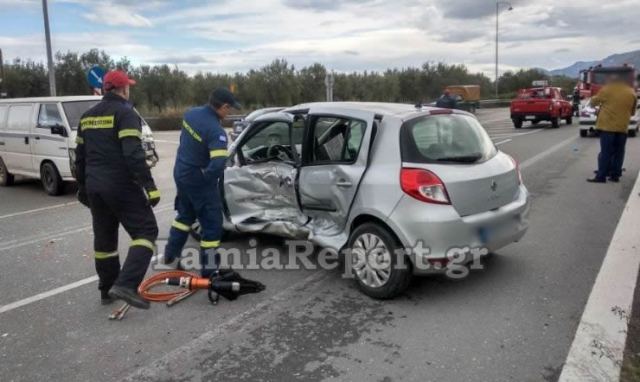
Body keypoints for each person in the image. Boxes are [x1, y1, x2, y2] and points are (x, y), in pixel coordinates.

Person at [75, 70, 160, 309]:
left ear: (105, 89)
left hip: (95, 186)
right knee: (146, 231)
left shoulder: (87, 116)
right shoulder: (125, 113)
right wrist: (150, 187)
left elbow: (79, 158)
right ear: (123, 89)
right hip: (120, 184)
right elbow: (133, 154)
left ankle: (107, 290)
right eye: (128, 87)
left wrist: (82, 187)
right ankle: (126, 284)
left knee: (105, 241)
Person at [163, 88, 241, 277]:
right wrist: (206, 179)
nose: (229, 113)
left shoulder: (191, 114)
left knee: (184, 216)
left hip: (181, 173)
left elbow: (185, 142)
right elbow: (218, 164)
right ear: (223, 106)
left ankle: (170, 257)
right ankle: (210, 271)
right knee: (213, 226)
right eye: (229, 109)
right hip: (199, 181)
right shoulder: (216, 131)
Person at [587, 75, 637, 183]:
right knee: (619, 152)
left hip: (607, 127)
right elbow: (632, 112)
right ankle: (615, 175)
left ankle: (601, 176)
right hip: (622, 127)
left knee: (606, 152)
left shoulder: (607, 89)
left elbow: (593, 102)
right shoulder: (631, 92)